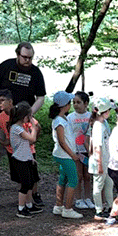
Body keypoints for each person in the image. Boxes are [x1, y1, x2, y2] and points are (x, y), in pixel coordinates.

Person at [0, 43, 46, 186]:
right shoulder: (6, 66)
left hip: (21, 119)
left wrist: (29, 114)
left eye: (30, 58)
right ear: (18, 54)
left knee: (23, 148)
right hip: (0, 115)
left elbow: (41, 97)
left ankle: (24, 180)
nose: (27, 61)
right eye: (24, 57)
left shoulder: (35, 73)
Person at [0, 89, 43, 208]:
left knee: (32, 176)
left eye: (2, 100)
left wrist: (32, 140)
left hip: (28, 150)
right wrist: (3, 142)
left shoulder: (20, 112)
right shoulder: (1, 118)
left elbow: (37, 126)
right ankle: (24, 202)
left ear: (10, 101)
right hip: (14, 151)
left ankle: (33, 196)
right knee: (22, 177)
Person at [48, 91, 83, 219]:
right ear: (65, 105)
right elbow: (62, 141)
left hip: (63, 155)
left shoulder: (62, 118)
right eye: (70, 102)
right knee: (74, 179)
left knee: (63, 179)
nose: (71, 105)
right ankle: (68, 209)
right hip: (65, 155)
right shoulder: (59, 121)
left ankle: (58, 206)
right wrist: (73, 155)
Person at [8, 102, 42, 217]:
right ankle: (21, 208)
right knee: (25, 184)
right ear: (24, 116)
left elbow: (27, 144)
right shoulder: (16, 128)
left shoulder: (20, 128)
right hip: (19, 160)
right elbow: (32, 139)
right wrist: (34, 127)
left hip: (26, 158)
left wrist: (30, 158)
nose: (30, 118)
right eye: (29, 116)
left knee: (30, 182)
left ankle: (29, 205)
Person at [89, 98, 115, 218]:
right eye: (109, 110)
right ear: (105, 112)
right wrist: (99, 164)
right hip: (100, 160)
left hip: (106, 159)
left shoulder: (102, 124)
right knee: (98, 186)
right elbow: (97, 147)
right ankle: (98, 210)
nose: (110, 113)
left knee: (109, 183)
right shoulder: (98, 126)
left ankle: (111, 206)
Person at [67, 91, 94, 209]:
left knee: (88, 176)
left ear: (86, 103)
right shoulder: (70, 117)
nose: (76, 105)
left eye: (78, 102)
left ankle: (88, 198)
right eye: (74, 102)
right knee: (78, 175)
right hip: (75, 150)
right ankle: (78, 199)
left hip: (88, 150)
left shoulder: (91, 117)